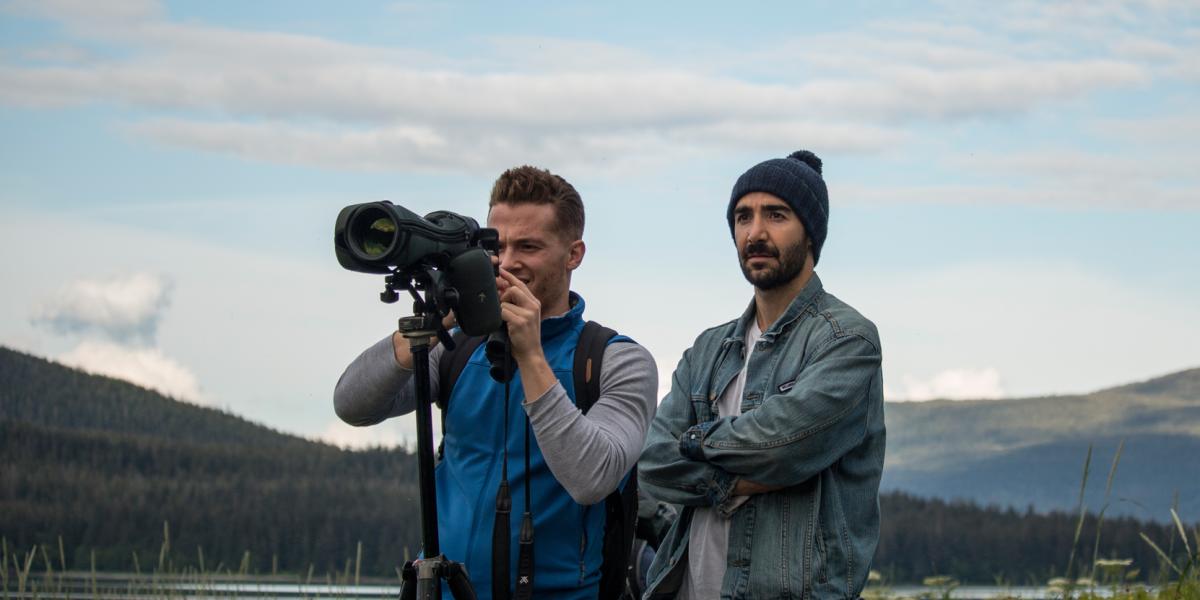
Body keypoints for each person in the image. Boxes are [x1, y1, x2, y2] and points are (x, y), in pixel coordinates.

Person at [334, 165, 658, 600]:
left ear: (574, 254)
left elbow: (591, 479)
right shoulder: (460, 348)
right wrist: (421, 329)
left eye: (529, 246)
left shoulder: (615, 361)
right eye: (496, 245)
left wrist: (530, 355)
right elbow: (352, 405)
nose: (507, 263)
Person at [638, 150, 885, 599]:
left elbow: (784, 445)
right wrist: (732, 480)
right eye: (742, 216)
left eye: (776, 215)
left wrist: (696, 442)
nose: (755, 233)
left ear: (810, 232)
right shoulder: (708, 349)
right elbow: (654, 463)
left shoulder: (848, 340)